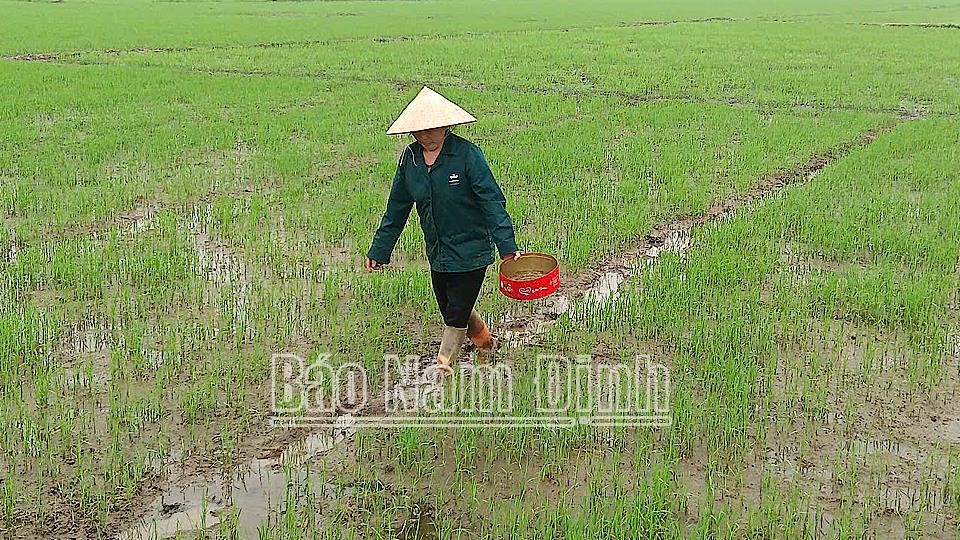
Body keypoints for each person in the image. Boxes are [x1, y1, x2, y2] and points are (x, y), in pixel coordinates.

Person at [365, 86, 520, 375]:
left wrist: (507, 246)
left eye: (432, 129)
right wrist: (380, 250)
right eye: (419, 130)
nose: (425, 135)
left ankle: (443, 366)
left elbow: (491, 201)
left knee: (455, 313)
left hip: (472, 249)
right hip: (438, 249)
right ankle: (485, 342)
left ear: (446, 126)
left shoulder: (467, 155)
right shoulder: (410, 160)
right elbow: (396, 208)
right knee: (451, 306)